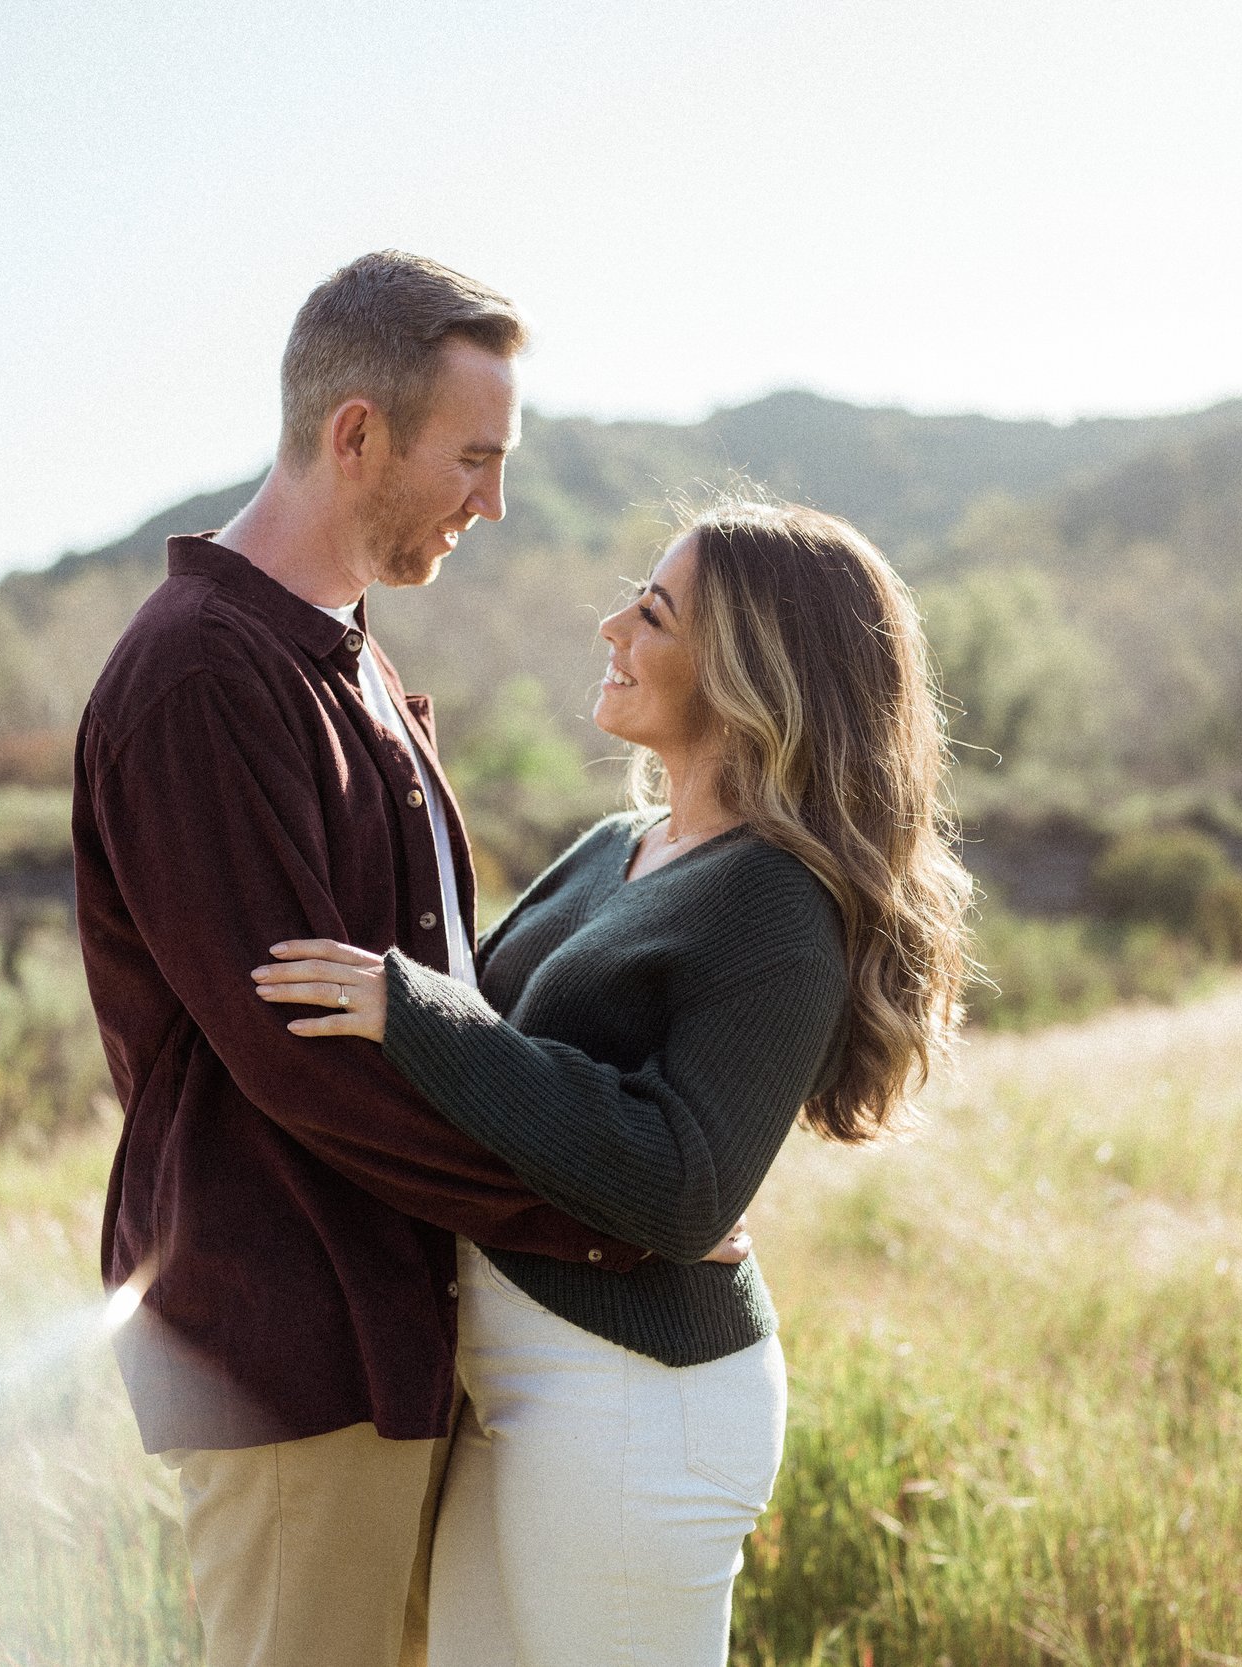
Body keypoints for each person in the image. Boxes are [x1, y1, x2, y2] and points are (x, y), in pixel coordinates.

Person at [74, 250, 726, 1667]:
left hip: (398, 1333)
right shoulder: (202, 676)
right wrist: (603, 1209)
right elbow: (307, 1064)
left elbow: (428, 1015)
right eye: (472, 459)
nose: (493, 502)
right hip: (296, 1346)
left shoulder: (344, 661)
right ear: (355, 431)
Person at [255, 497, 974, 1666]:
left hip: (637, 1400)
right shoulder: (613, 848)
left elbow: (683, 1185)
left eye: (652, 612)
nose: (608, 627)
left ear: (748, 670)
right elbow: (495, 1060)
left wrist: (416, 1013)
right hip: (515, 1379)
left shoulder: (780, 905)